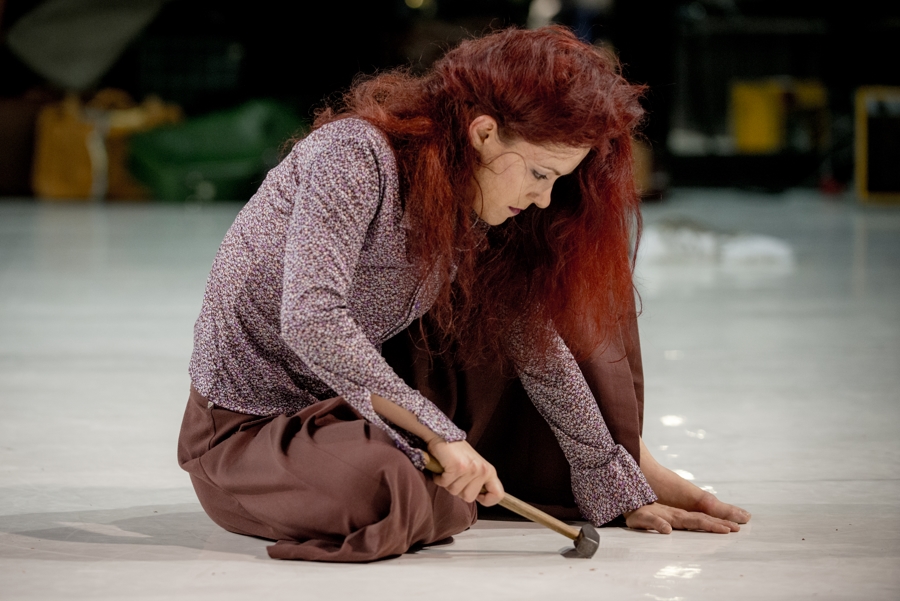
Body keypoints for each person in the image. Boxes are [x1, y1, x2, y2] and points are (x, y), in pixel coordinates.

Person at [177, 25, 750, 563]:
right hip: (248, 426)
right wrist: (439, 434)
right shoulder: (353, 156)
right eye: (540, 174)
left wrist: (606, 471)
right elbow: (313, 320)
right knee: (392, 489)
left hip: (357, 409)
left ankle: (625, 462)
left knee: (571, 287)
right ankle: (410, 474)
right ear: (483, 133)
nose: (544, 197)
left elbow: (534, 345)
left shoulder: (472, 199)